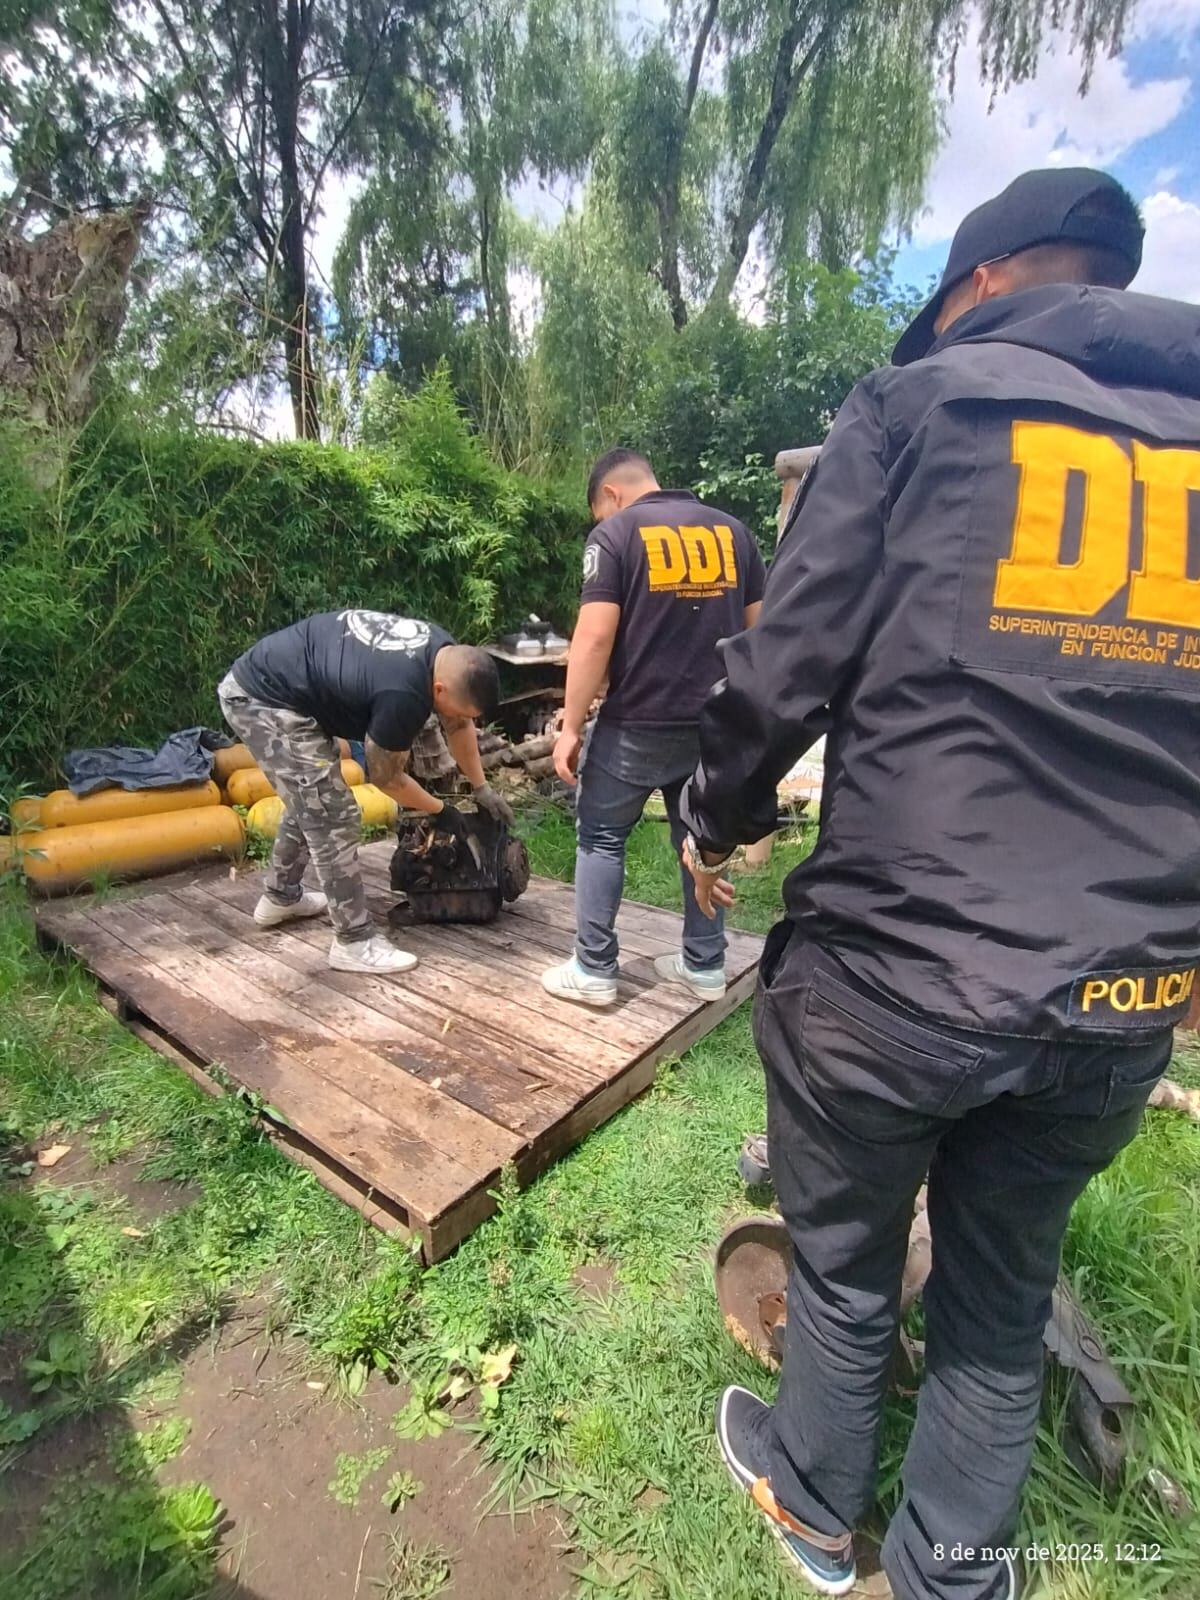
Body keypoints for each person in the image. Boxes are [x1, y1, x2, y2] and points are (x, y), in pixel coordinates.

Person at [680, 168, 1200, 1600]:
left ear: (976, 288)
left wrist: (712, 817)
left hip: (899, 982)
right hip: (1123, 995)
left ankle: (809, 1516)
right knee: (998, 1296)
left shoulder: (926, 405)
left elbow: (789, 666)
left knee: (846, 1277)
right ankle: (953, 1575)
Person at [541, 450, 766, 1008]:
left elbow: (592, 639)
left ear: (611, 495)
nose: (600, 521)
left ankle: (594, 969)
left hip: (635, 722)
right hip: (711, 723)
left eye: (598, 511)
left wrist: (570, 727)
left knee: (600, 835)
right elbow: (758, 634)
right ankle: (705, 963)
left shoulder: (615, 536)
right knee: (698, 835)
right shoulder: (734, 534)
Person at [218, 610, 513, 974]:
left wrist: (482, 788)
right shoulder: (404, 695)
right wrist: (440, 811)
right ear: (439, 691)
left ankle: (282, 895)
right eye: (457, 708)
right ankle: (353, 941)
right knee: (332, 813)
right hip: (262, 699)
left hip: (292, 690)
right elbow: (385, 778)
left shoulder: (444, 655)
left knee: (312, 796)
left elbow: (458, 722)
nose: (459, 717)